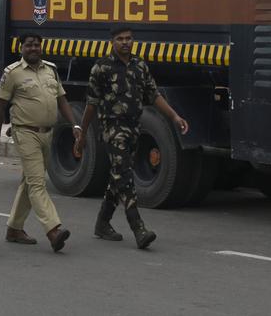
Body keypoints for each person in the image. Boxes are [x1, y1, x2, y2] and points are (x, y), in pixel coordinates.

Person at [75, 26, 189, 249]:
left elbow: (154, 95)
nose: (125, 42)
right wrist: (82, 134)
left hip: (134, 128)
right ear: (112, 42)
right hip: (112, 129)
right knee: (125, 176)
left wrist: (175, 117)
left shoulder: (140, 66)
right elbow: (91, 104)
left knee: (118, 176)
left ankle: (102, 223)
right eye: (120, 39)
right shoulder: (102, 68)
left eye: (129, 38)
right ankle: (138, 227)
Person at [0, 33, 77, 252]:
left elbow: (61, 99)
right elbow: (0, 107)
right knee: (37, 183)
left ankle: (14, 228)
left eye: (37, 45)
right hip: (25, 133)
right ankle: (53, 229)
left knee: (29, 182)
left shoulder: (51, 70)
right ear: (21, 48)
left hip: (48, 133)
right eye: (29, 45)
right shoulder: (12, 73)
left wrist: (75, 126)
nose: (33, 48)